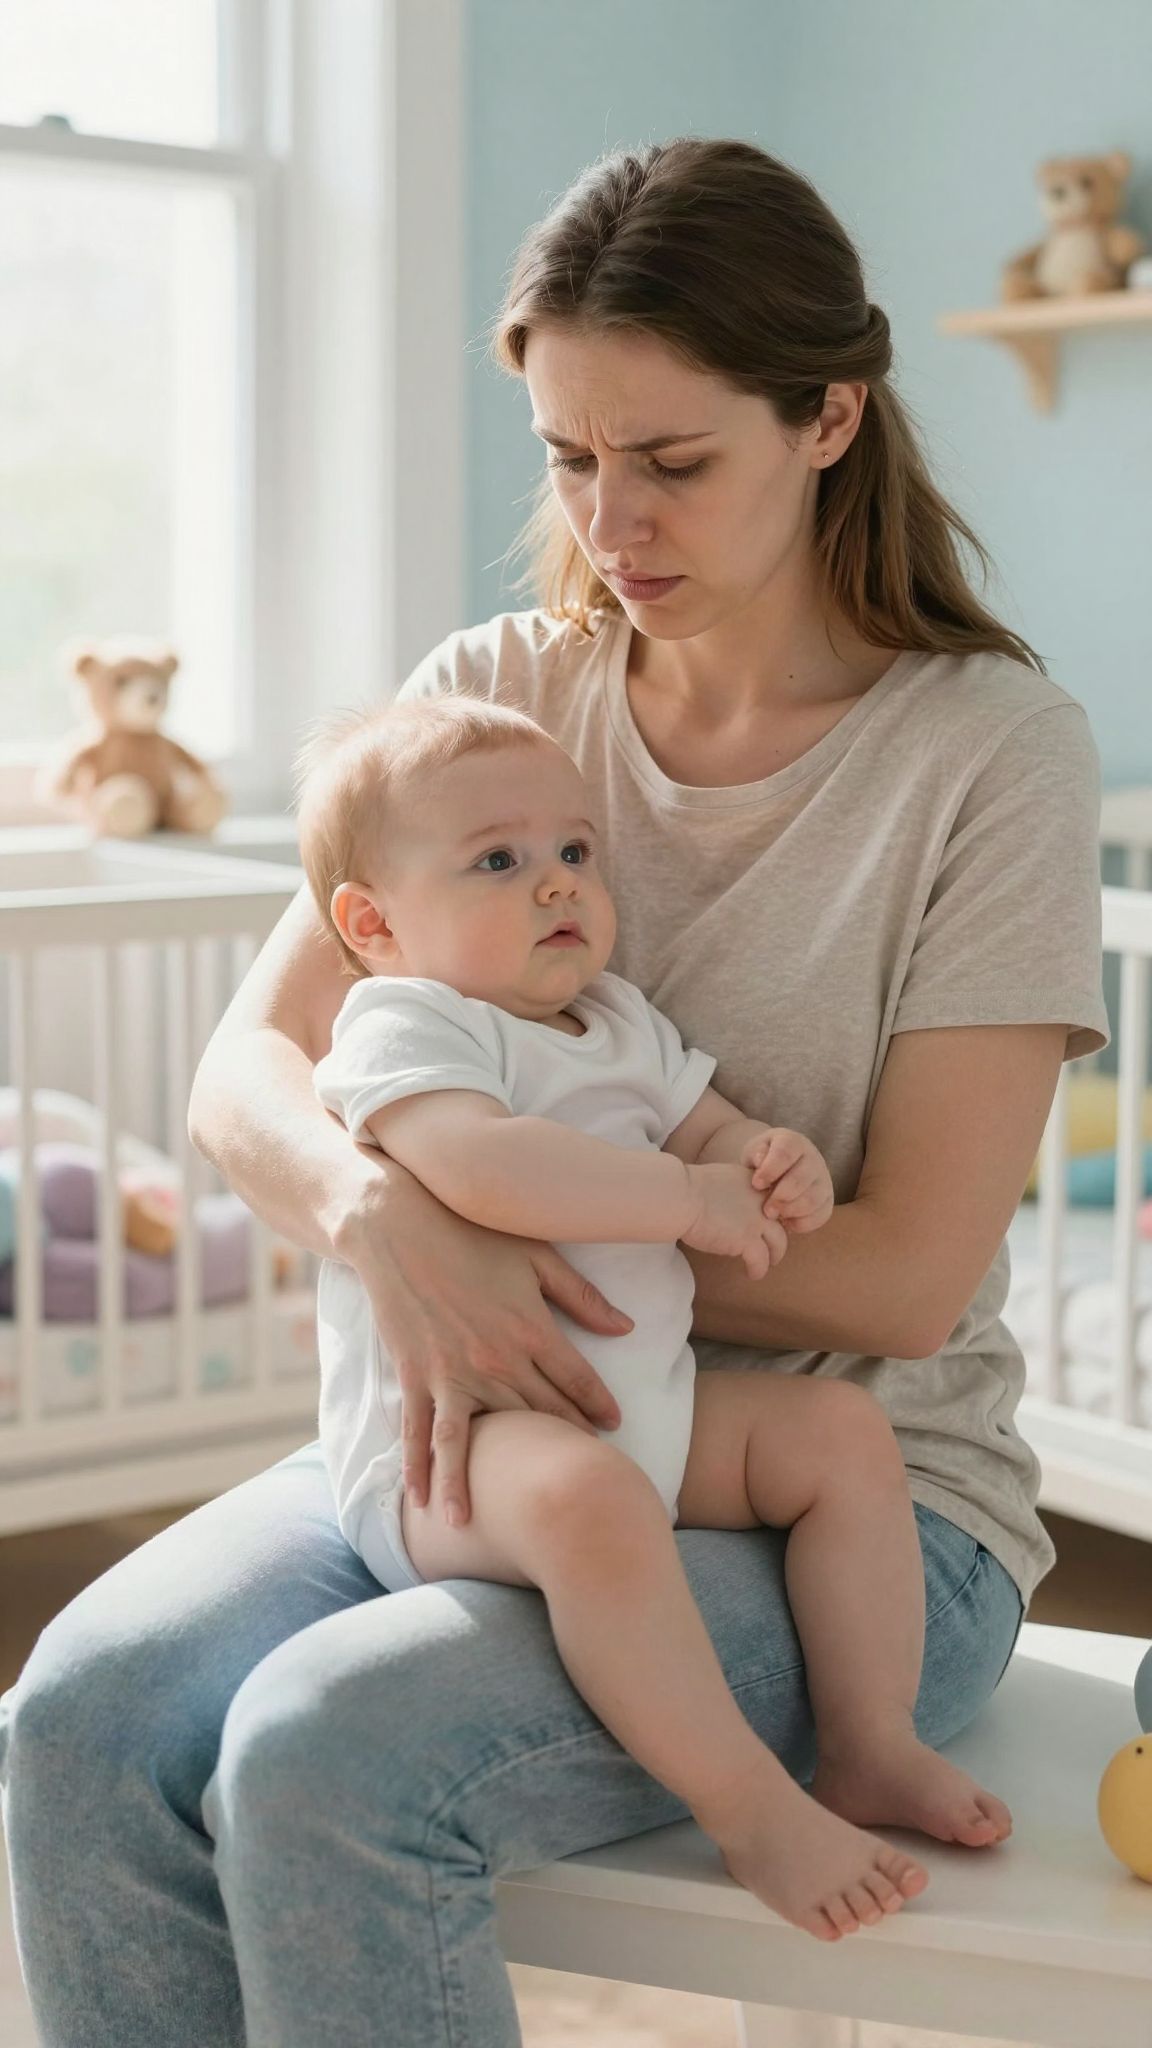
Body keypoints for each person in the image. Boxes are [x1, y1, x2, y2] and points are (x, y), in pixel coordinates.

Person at [0, 135, 1107, 2043]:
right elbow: (244, 1071)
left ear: (828, 413)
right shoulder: (497, 701)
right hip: (489, 1422)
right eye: (566, 456)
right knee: (83, 1714)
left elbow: (901, 1280)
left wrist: (505, 1248)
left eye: (668, 460)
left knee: (331, 1761)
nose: (612, 517)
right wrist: (388, 1222)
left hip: (859, 1501)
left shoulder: (986, 752)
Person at [297, 690, 1014, 1941]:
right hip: (469, 1451)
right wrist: (689, 1197)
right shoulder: (405, 1024)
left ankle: (869, 1739)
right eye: (499, 861)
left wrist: (766, 1156)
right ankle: (745, 1802)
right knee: (592, 1503)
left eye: (574, 851)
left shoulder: (616, 1019)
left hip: (652, 1412)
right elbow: (484, 1168)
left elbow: (705, 1121)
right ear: (373, 922)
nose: (556, 885)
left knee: (839, 1435)